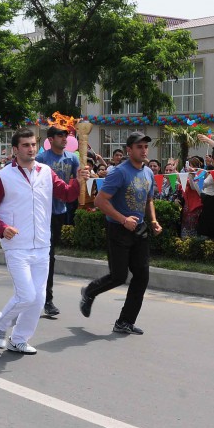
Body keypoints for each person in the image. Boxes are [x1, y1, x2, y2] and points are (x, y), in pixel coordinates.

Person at [0, 128, 89, 354]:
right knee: (26, 295)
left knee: (38, 299)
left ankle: (19, 339)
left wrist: (79, 181)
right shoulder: (4, 176)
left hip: (42, 243)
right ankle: (1, 325)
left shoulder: (46, 172)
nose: (30, 149)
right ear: (15, 149)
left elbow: (67, 195)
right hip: (17, 244)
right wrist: (2, 228)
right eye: (25, 145)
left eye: (33, 144)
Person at [80, 132, 162, 335]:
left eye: (145, 147)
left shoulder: (148, 173)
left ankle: (125, 321)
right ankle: (90, 291)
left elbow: (149, 200)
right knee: (119, 276)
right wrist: (123, 220)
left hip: (140, 229)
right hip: (118, 229)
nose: (144, 150)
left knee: (142, 276)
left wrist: (153, 220)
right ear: (129, 150)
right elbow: (100, 201)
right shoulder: (119, 172)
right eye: (139, 147)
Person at [36, 126, 80, 316]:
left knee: (50, 255)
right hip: (40, 212)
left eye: (66, 135)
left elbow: (79, 180)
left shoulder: (73, 158)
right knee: (43, 255)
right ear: (51, 139)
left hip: (60, 211)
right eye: (60, 135)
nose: (64, 138)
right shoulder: (42, 159)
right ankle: (45, 298)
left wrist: (85, 177)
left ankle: (45, 298)